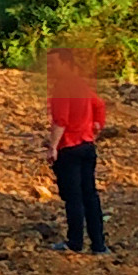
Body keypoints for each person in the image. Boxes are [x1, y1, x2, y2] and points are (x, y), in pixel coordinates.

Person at [45, 45, 111, 255]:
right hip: (87, 146)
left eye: (53, 63)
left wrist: (52, 147)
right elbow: (99, 105)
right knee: (90, 196)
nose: (50, 68)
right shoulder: (81, 85)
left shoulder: (62, 88)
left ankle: (75, 242)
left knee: (73, 197)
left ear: (66, 63)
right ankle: (99, 245)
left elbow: (61, 121)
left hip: (70, 148)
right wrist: (97, 126)